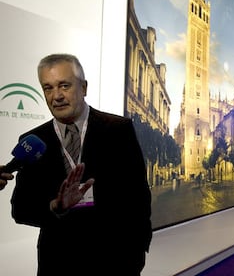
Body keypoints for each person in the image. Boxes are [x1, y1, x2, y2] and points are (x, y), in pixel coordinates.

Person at [9, 53, 152, 276]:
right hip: (58, 264)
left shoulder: (118, 130)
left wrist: (136, 254)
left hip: (115, 263)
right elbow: (21, 209)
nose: (56, 96)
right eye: (48, 88)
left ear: (83, 88)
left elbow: (138, 197)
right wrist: (56, 207)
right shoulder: (33, 140)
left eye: (64, 86)